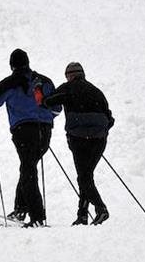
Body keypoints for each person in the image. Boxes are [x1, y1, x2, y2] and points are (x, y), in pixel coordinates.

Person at [0, 49, 57, 227]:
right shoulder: (45, 81)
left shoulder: (10, 82)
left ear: (11, 65)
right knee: (28, 166)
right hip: (45, 130)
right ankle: (21, 208)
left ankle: (36, 216)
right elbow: (57, 108)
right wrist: (44, 118)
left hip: (23, 130)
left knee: (28, 169)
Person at [38, 62, 113, 225]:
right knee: (86, 176)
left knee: (84, 177)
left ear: (69, 76)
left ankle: (100, 209)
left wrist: (38, 90)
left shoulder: (67, 88)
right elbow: (110, 119)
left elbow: (47, 102)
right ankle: (82, 215)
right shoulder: (96, 91)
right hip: (99, 139)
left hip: (79, 138)